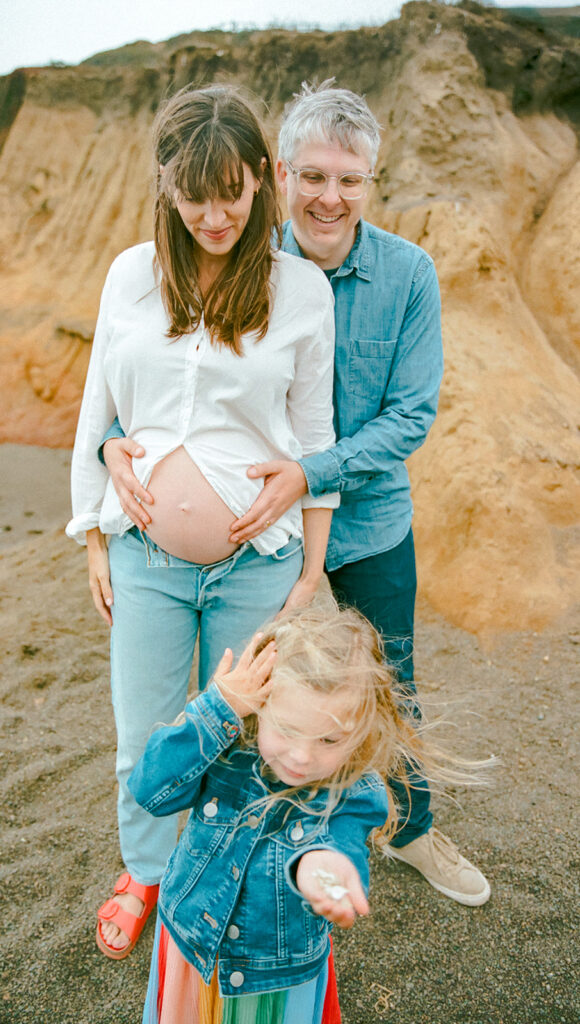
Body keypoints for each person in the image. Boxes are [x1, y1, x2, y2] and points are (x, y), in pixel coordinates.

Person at [102, 81, 490, 907]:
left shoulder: (407, 275)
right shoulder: (237, 252)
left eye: (349, 179)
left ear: (371, 182)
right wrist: (109, 469)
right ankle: (245, 852)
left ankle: (412, 831)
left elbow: (412, 415)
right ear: (280, 173)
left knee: (393, 686)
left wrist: (310, 476)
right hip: (259, 543)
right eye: (313, 176)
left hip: (368, 525)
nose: (330, 196)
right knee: (260, 704)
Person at [66, 85, 340, 959]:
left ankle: (233, 880)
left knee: (248, 738)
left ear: (262, 179)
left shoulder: (300, 289)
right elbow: (97, 409)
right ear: (167, 185)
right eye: (195, 194)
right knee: (144, 731)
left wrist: (309, 571)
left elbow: (315, 432)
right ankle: (145, 871)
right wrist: (92, 534)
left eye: (231, 191)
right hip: (145, 554)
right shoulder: (127, 274)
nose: (214, 214)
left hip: (258, 558)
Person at [129, 603, 478, 1023]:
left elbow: (335, 847)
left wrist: (321, 871)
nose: (301, 755)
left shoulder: (356, 792)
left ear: (362, 730)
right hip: (189, 936)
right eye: (288, 729)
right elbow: (151, 790)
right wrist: (218, 709)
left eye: (329, 739)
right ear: (260, 703)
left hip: (272, 975)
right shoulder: (228, 743)